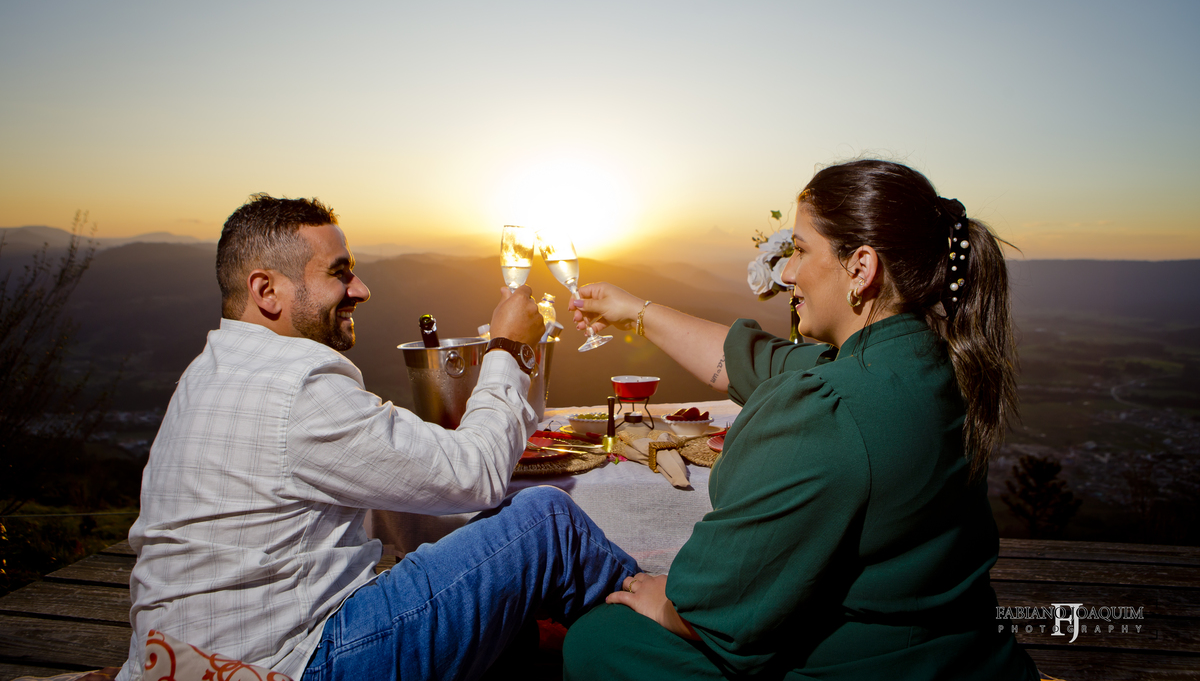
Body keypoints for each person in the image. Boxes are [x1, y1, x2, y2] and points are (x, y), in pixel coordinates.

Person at [117, 194, 638, 681]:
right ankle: (670, 632)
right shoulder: (297, 384)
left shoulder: (205, 374)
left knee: (503, 579)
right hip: (288, 665)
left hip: (175, 662)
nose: (361, 289)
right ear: (266, 290)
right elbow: (476, 474)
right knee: (546, 522)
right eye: (339, 272)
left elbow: (388, 488)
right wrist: (508, 349)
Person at [562, 160, 1038, 680]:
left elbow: (721, 606)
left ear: (861, 267)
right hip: (974, 659)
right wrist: (632, 310)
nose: (786, 272)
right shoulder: (936, 362)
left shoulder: (828, 408)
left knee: (598, 639)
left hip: (873, 668)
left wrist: (667, 607)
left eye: (801, 250)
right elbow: (744, 361)